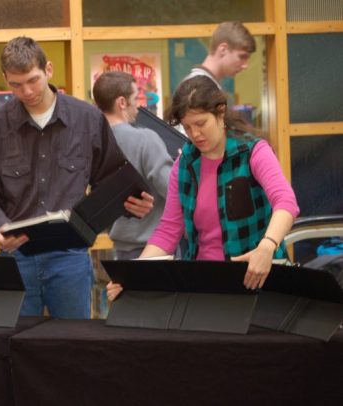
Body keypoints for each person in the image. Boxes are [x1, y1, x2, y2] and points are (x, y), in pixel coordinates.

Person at [0, 36, 154, 319]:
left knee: (72, 341)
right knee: (13, 341)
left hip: (71, 258)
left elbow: (112, 181)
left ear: (48, 70)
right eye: (16, 85)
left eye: (33, 80)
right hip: (16, 258)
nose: (26, 91)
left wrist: (133, 204)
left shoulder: (87, 119)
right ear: (6, 79)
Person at [107, 76, 299, 301]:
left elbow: (286, 202)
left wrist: (267, 246)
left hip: (257, 280)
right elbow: (168, 230)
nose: (195, 134)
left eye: (201, 124)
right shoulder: (185, 164)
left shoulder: (254, 152)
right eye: (187, 127)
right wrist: (133, 276)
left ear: (220, 112)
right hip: (205, 285)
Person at [93, 71, 173, 259]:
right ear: (122, 102)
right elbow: (173, 190)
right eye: (136, 98)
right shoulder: (145, 139)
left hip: (119, 248)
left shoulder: (93, 143)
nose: (139, 105)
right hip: (155, 248)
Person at [184, 21, 256, 88]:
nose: (245, 66)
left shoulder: (206, 84)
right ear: (223, 49)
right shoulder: (200, 86)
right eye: (242, 57)